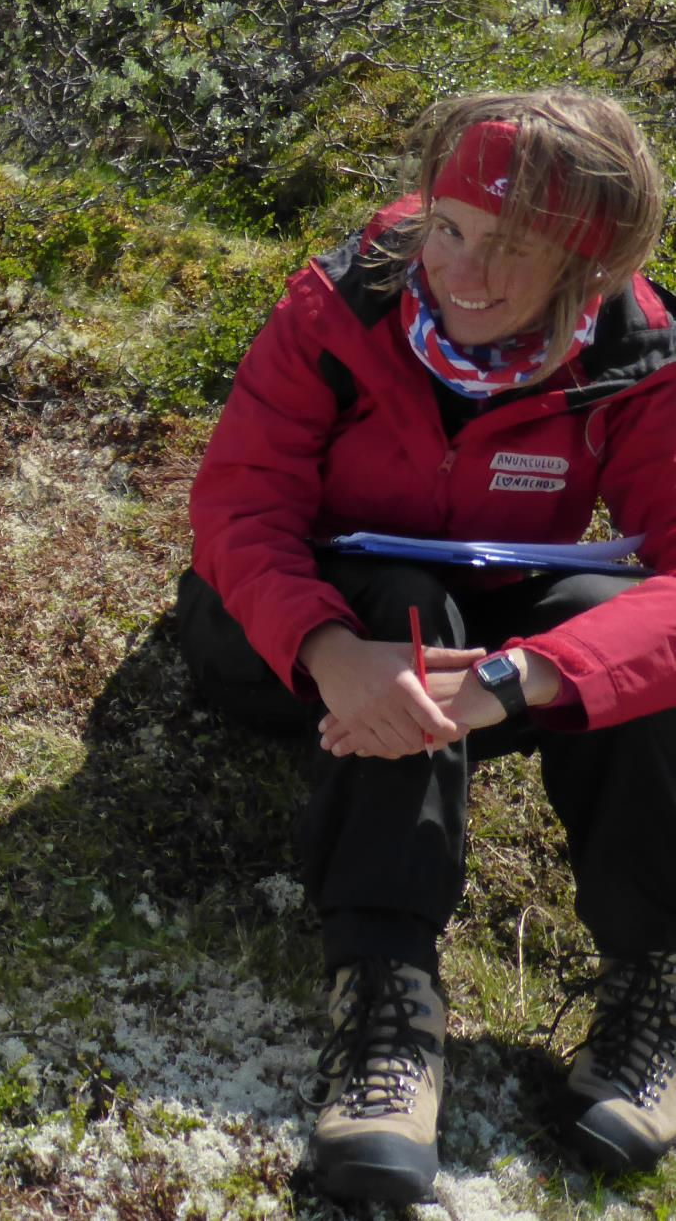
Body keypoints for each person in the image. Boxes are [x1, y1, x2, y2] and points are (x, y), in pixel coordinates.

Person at [175, 90, 676, 1202]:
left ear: (584, 268)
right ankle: (385, 1000)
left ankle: (654, 974)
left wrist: (520, 676)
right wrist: (325, 648)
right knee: (406, 605)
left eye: (513, 248)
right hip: (290, 629)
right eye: (448, 226)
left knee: (630, 641)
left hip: (478, 647)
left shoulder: (637, 355)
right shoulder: (341, 304)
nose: (462, 271)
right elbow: (238, 506)